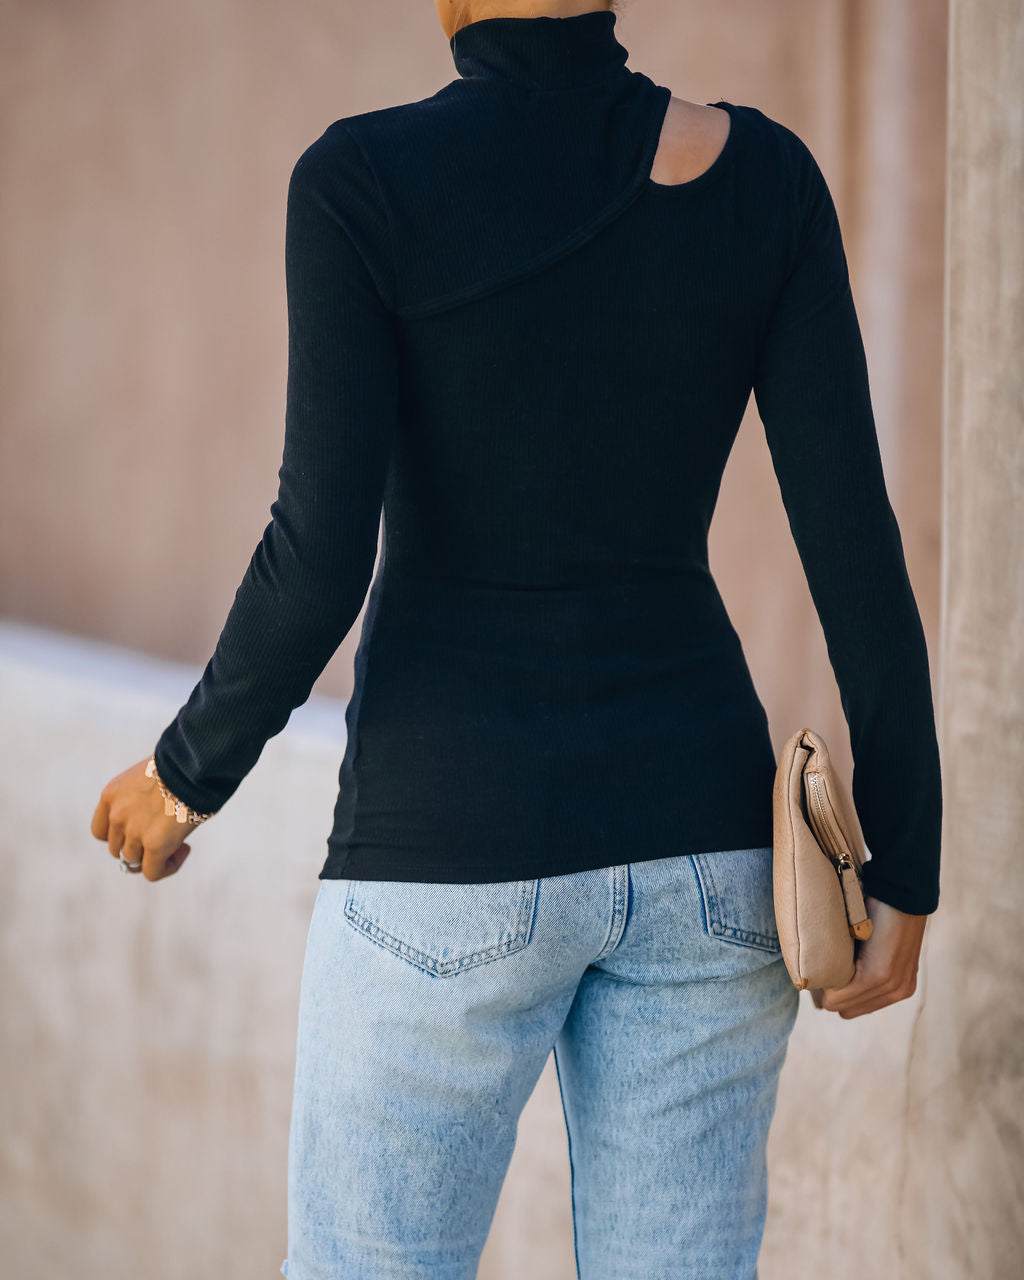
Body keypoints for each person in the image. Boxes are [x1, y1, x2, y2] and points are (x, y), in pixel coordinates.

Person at [90, 1, 942, 1276]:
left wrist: (182, 775)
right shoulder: (764, 179)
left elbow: (317, 555)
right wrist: (907, 863)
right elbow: (855, 545)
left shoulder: (362, 181)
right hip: (704, 863)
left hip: (445, 848)